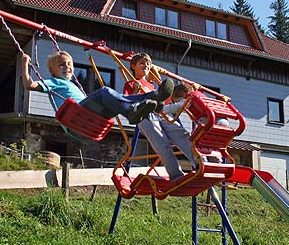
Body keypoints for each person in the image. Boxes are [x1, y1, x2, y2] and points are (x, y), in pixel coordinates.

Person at [21, 51, 173, 124]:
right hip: (77, 115)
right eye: (61, 65)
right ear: (52, 71)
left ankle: (152, 97)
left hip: (91, 116)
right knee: (105, 92)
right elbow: (29, 85)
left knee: (116, 101)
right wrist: (24, 63)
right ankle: (133, 110)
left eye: (69, 64)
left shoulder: (72, 84)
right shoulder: (54, 82)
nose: (67, 67)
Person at [123, 53, 198, 181]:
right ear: (133, 66)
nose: (145, 65)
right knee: (162, 144)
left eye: (147, 64)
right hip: (144, 115)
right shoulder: (131, 83)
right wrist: (136, 91)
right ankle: (176, 176)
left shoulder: (151, 86)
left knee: (181, 133)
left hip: (159, 113)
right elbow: (128, 104)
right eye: (141, 63)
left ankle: (198, 162)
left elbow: (162, 102)